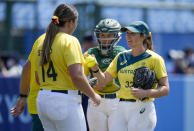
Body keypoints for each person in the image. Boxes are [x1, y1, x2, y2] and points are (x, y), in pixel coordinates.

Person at [88, 21, 170, 131]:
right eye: (127, 33)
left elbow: (165, 89)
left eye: (132, 34)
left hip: (142, 106)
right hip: (120, 107)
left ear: (143, 36)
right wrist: (96, 69)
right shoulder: (121, 57)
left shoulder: (155, 59)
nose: (128, 37)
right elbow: (103, 82)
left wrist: (146, 93)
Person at [32, 4, 101, 131]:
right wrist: (94, 96)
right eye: (76, 22)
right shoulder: (70, 40)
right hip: (64, 102)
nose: (75, 26)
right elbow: (77, 76)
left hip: (42, 99)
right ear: (70, 22)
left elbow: (37, 79)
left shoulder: (41, 41)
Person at [84, 18, 126, 131]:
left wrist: (94, 77)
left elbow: (103, 84)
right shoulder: (90, 53)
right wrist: (89, 84)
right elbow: (80, 78)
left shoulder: (121, 53)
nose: (105, 38)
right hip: (96, 102)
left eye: (109, 35)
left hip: (117, 101)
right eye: (102, 35)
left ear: (116, 36)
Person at [10, 47, 44, 131]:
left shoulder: (39, 41)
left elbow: (26, 68)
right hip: (60, 103)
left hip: (38, 104)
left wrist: (22, 97)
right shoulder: (67, 41)